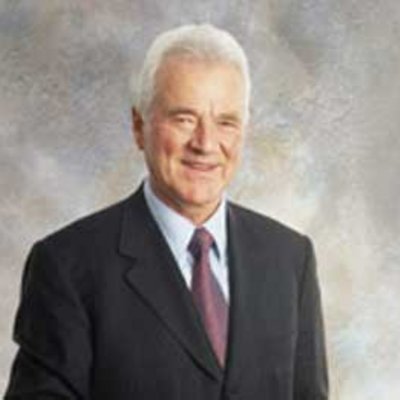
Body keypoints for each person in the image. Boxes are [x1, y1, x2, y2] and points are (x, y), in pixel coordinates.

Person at [5, 24, 328, 399]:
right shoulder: (68, 266)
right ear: (139, 126)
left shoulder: (290, 259)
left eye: (225, 122)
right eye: (184, 119)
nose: (205, 143)